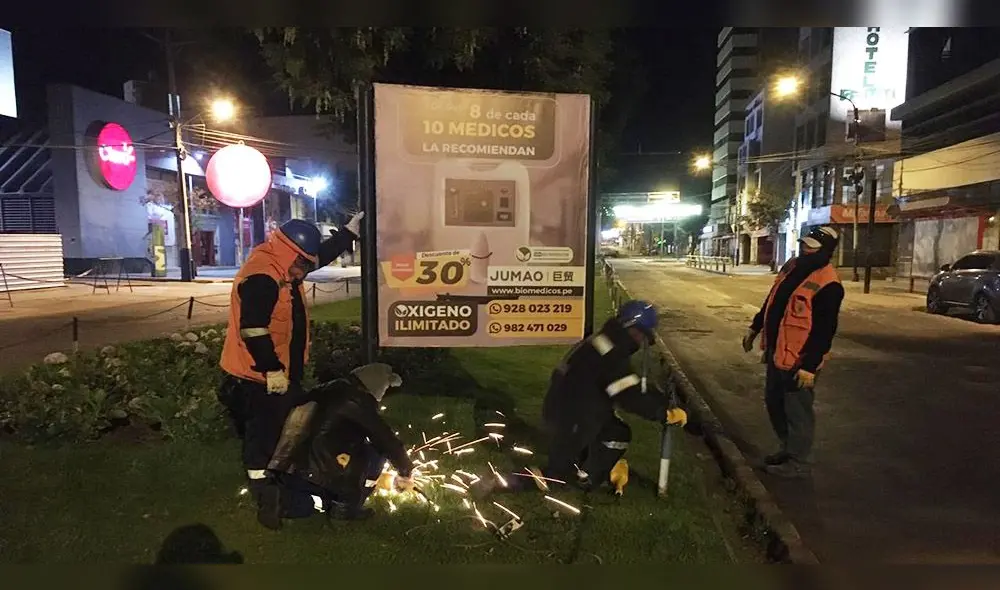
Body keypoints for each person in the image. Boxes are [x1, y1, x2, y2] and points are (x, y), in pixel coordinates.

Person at [217, 213, 364, 523]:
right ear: (291, 254)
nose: (305, 272)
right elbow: (253, 328)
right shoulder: (262, 277)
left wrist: (347, 235)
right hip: (258, 377)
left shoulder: (286, 265)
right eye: (303, 265)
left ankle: (286, 491)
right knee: (265, 439)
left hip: (281, 374)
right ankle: (269, 499)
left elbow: (318, 257)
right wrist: (271, 369)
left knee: (289, 435)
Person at [478, 300, 688, 497]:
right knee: (558, 475)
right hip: (572, 417)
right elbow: (628, 395)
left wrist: (659, 402)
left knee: (616, 432)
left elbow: (629, 384)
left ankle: (591, 468)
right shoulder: (612, 353)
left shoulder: (604, 341)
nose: (640, 341)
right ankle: (502, 481)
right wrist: (662, 413)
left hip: (573, 408)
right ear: (631, 327)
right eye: (640, 335)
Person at [742, 225, 844, 479]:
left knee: (797, 411)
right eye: (804, 244)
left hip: (800, 360)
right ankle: (787, 449)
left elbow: (825, 330)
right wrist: (755, 328)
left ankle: (799, 461)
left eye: (812, 247)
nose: (805, 249)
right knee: (774, 403)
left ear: (826, 251)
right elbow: (772, 301)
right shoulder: (792, 267)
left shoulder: (829, 283)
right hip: (778, 351)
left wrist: (810, 366)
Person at [259, 363, 415, 529]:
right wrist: (405, 470)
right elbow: (385, 439)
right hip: (317, 469)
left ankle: (280, 496)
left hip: (288, 464)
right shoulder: (357, 401)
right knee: (373, 453)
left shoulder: (328, 389)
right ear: (376, 386)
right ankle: (345, 509)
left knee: (308, 500)